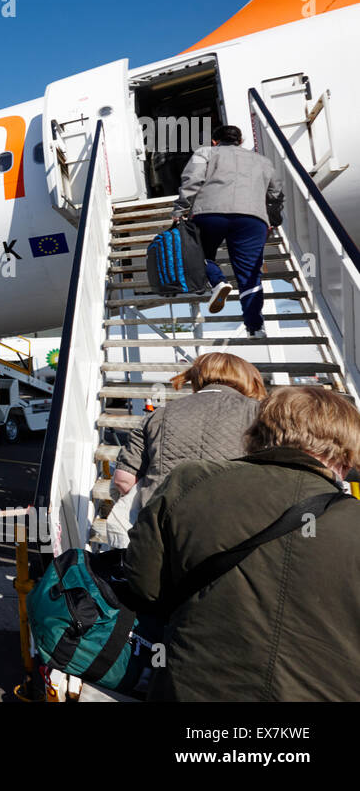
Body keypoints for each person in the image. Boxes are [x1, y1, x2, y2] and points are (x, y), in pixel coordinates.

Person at [124, 385, 360, 701]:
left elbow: (144, 585)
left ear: (258, 432)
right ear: (344, 453)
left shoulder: (191, 481)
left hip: (192, 690)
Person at [172, 124, 285, 337]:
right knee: (250, 274)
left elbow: (192, 180)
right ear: (240, 141)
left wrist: (180, 209)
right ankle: (254, 326)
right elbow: (276, 194)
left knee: (198, 255)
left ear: (214, 141)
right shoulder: (263, 161)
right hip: (252, 219)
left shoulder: (204, 152)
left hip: (209, 213)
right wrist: (273, 218)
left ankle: (218, 282)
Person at [113, 353, 266, 507]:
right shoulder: (259, 412)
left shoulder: (159, 415)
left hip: (165, 522)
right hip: (238, 518)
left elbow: (123, 479)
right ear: (247, 378)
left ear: (197, 377)